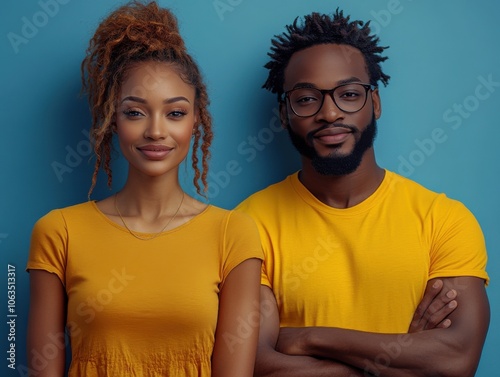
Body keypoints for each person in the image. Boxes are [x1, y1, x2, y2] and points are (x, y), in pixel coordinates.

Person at [237, 9, 490, 377]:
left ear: (374, 103)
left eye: (349, 94)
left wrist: (307, 338)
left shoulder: (444, 220)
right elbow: (253, 363)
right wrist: (398, 358)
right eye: (307, 98)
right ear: (283, 113)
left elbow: (456, 361)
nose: (329, 113)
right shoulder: (248, 225)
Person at [26, 2, 263, 376]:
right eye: (135, 112)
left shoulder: (233, 234)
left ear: (196, 119)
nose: (156, 131)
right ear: (112, 118)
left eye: (175, 113)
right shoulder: (58, 232)